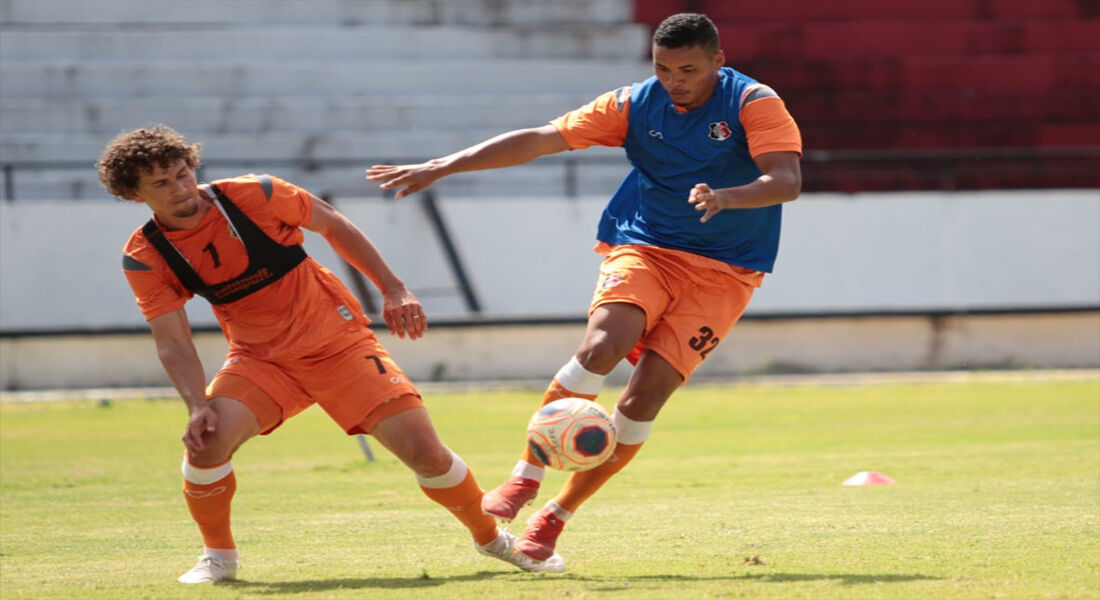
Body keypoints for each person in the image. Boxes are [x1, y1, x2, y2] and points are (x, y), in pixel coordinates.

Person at [366, 13, 803, 571]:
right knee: (603, 344)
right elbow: (541, 139)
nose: (675, 81)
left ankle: (555, 517)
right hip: (646, 248)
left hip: (725, 271)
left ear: (719, 61)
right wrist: (444, 165)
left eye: (688, 69)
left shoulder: (754, 103)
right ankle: (525, 477)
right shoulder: (633, 104)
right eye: (663, 68)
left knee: (642, 401)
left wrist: (726, 198)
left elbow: (785, 181)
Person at [99, 125, 563, 584]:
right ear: (133, 194)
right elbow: (173, 341)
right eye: (161, 184)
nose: (181, 188)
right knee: (207, 443)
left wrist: (394, 288)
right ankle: (218, 558)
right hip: (261, 361)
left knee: (427, 454)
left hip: (338, 345)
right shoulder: (145, 256)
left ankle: (490, 538)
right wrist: (197, 405)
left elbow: (333, 223)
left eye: (182, 173)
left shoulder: (254, 194)